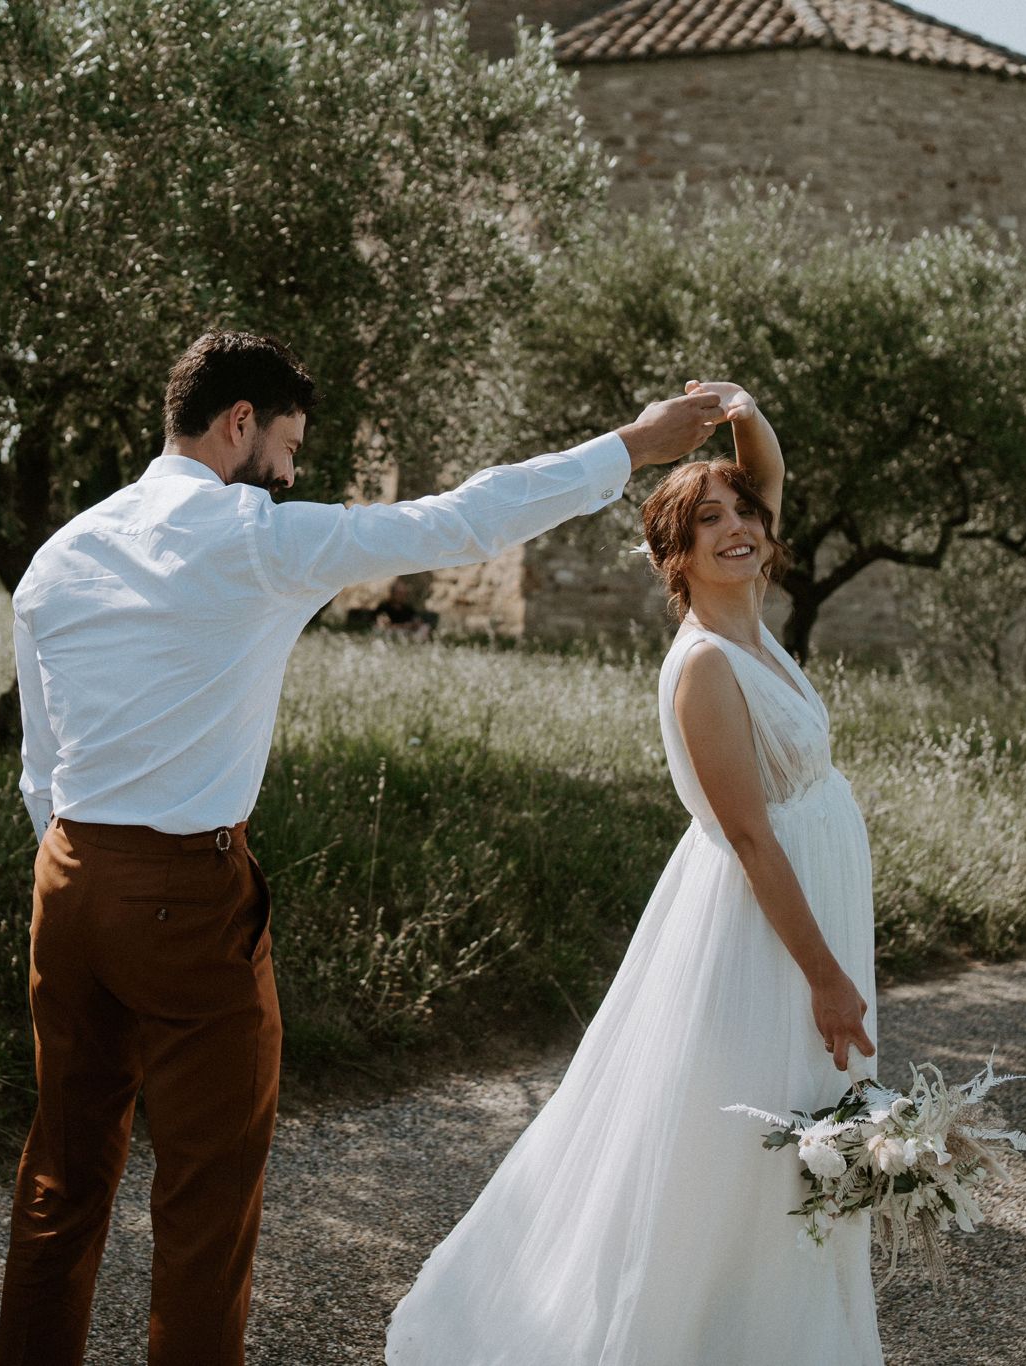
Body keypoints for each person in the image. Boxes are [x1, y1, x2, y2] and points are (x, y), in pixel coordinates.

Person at [0, 330, 733, 1366]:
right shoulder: (257, 538)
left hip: (64, 884)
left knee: (59, 1180)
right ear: (238, 423)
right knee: (205, 1203)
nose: (293, 473)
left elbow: (40, 762)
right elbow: (468, 518)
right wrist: (635, 444)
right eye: (287, 445)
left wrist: (73, 869)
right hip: (183, 897)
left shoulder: (58, 555)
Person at [384, 380, 885, 1365]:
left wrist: (737, 409)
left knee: (798, 1122)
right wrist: (826, 977)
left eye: (744, 514)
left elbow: (767, 470)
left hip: (808, 901)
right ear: (675, 555)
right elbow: (748, 838)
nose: (738, 527)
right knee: (734, 1134)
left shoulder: (753, 619)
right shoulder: (705, 663)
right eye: (709, 520)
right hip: (757, 928)